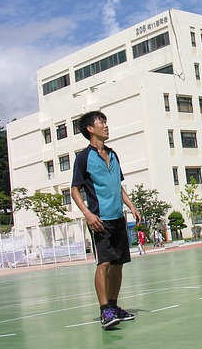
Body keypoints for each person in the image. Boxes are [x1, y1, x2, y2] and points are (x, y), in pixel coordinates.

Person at [71, 110, 141, 330]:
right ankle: (104, 312)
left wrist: (131, 206)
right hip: (100, 220)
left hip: (118, 218)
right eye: (102, 122)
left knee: (118, 265)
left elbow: (117, 186)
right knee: (104, 264)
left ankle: (114, 306)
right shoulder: (83, 158)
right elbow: (75, 190)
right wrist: (88, 214)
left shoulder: (113, 154)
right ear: (90, 129)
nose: (106, 126)